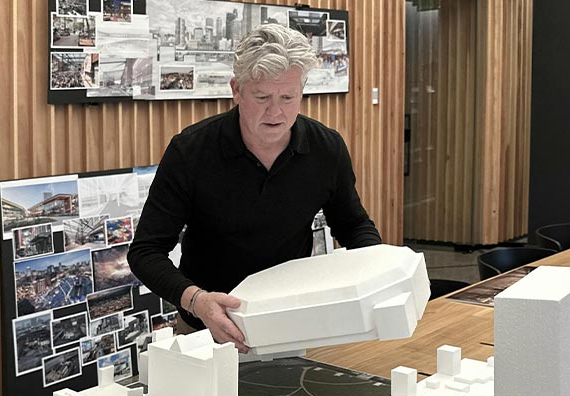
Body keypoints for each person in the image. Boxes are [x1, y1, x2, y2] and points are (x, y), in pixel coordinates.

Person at [127, 24, 381, 353]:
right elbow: (145, 251)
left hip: (289, 321)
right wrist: (197, 301)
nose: (275, 112)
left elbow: (353, 224)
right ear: (236, 90)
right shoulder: (191, 151)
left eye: (288, 97)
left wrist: (376, 270)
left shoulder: (326, 149)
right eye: (262, 97)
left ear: (301, 91)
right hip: (206, 327)